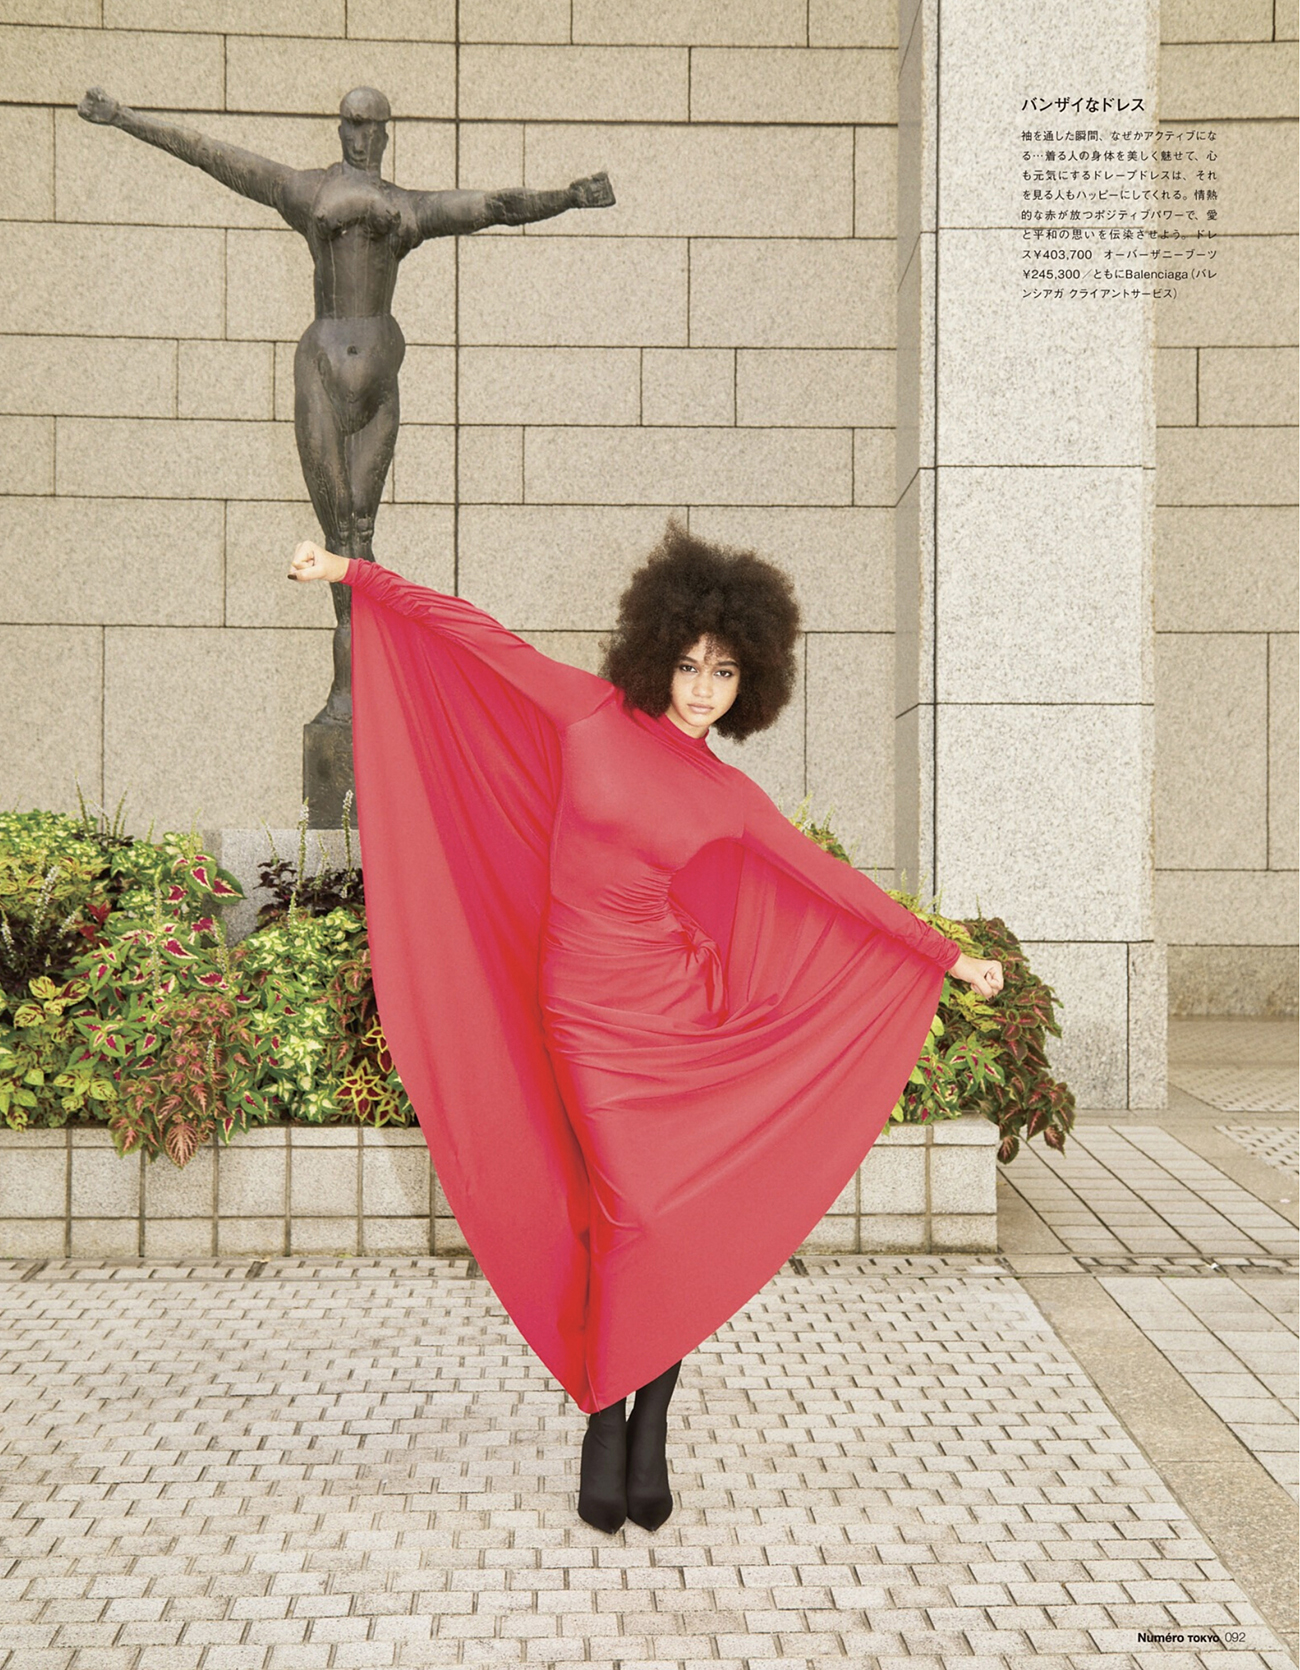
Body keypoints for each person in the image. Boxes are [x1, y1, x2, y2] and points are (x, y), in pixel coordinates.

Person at [288, 523, 1003, 1534]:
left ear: (750, 682)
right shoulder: (591, 714)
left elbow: (833, 886)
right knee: (632, 1211)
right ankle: (603, 1413)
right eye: (690, 664)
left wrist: (947, 956)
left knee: (665, 1217)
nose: (703, 688)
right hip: (584, 1013)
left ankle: (647, 1417)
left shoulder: (730, 796)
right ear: (657, 651)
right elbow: (473, 634)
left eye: (725, 671)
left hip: (678, 1012)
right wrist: (350, 572)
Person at [80, 83, 613, 726]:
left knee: (361, 532)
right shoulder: (308, 193)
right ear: (340, 129)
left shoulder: (406, 209)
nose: (358, 136)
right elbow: (213, 154)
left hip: (377, 383)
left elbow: (493, 205)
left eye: (368, 126)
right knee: (341, 535)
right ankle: (348, 688)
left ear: (386, 133)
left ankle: (361, 687)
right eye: (349, 124)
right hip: (322, 373)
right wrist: (124, 117)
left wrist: (568, 197)